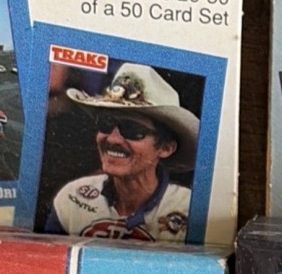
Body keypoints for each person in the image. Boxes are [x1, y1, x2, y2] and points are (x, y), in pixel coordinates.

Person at [44, 63, 199, 241]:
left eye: (132, 130)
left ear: (165, 148)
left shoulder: (190, 211)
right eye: (106, 124)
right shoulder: (72, 199)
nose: (113, 139)